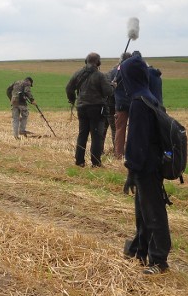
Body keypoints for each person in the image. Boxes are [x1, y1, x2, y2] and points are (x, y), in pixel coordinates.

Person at [122, 52, 172, 275]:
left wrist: (131, 171)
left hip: (147, 167)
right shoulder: (148, 96)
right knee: (143, 213)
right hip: (150, 165)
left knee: (153, 214)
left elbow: (136, 142)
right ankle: (139, 252)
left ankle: (159, 261)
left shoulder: (138, 103)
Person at [65, 52, 113, 167]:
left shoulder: (78, 73)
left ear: (86, 61)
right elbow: (108, 92)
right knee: (96, 136)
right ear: (98, 62)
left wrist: (72, 99)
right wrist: (113, 86)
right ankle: (96, 163)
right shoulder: (100, 76)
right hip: (97, 109)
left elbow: (68, 88)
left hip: (81, 108)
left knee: (82, 134)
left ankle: (79, 161)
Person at [112, 52, 133, 159]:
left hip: (120, 104)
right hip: (134, 103)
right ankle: (132, 153)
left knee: (120, 129)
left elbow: (109, 84)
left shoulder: (115, 71)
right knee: (134, 129)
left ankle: (119, 154)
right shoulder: (134, 70)